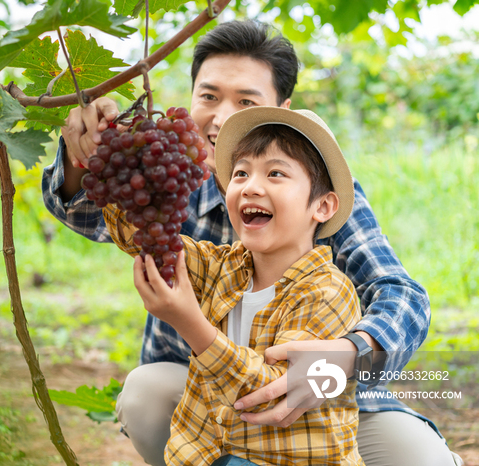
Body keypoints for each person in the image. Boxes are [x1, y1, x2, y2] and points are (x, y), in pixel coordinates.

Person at [41, 20, 462, 466]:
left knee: (421, 459)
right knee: (145, 394)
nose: (222, 117)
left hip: (324, 403)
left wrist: (351, 352)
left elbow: (401, 295)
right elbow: (94, 215)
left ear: (282, 108)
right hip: (202, 392)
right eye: (209, 96)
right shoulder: (171, 180)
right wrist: (89, 156)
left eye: (245, 101)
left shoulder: (322, 197)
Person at [104, 106, 363, 465]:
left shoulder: (328, 293)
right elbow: (146, 236)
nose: (251, 186)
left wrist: (191, 325)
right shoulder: (220, 266)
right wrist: (116, 155)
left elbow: (274, 396)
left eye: (275, 173)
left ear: (322, 206)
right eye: (241, 173)